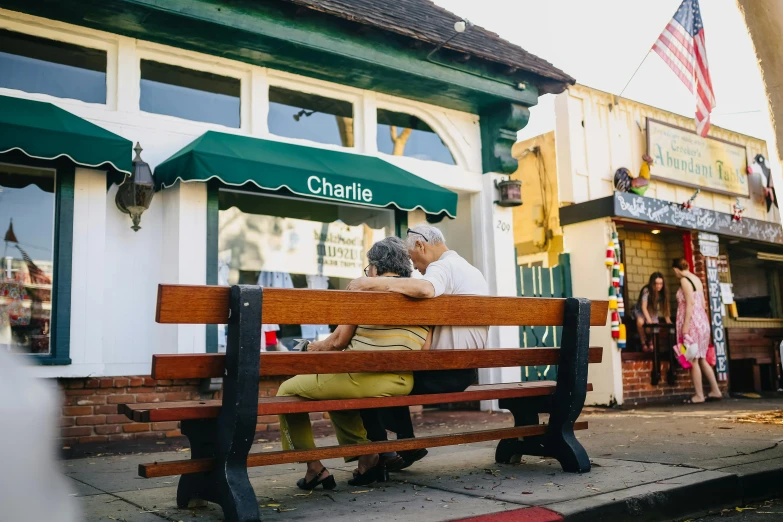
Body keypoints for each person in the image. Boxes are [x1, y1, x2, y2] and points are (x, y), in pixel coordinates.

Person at [276, 237, 432, 489]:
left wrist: (313, 348)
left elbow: (338, 341)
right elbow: (424, 348)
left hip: (363, 377)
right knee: (337, 394)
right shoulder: (424, 292)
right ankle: (365, 456)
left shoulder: (365, 288)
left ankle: (313, 467)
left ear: (375, 268)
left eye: (368, 268)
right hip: (403, 381)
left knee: (286, 391)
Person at [346, 224, 489, 469]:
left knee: (371, 382)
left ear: (421, 245)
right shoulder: (469, 269)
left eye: (414, 260)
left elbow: (424, 288)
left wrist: (369, 283)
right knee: (391, 375)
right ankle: (406, 444)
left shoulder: (441, 267)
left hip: (445, 372)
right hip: (466, 369)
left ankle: (388, 451)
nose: (416, 269)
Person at [672, 258, 722, 404]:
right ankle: (715, 390)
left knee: (693, 358)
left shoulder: (684, 280)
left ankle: (699, 395)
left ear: (676, 269)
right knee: (701, 358)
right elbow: (703, 303)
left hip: (692, 322)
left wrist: (685, 325)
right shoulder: (697, 279)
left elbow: (690, 303)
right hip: (702, 322)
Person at [631, 272, 672, 352]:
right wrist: (648, 319)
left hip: (652, 311)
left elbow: (665, 307)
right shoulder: (647, 290)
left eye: (661, 283)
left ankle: (650, 341)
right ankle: (643, 343)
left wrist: (668, 320)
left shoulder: (662, 292)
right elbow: (643, 307)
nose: (659, 286)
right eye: (656, 283)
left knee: (650, 328)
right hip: (641, 310)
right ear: (652, 283)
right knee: (640, 322)